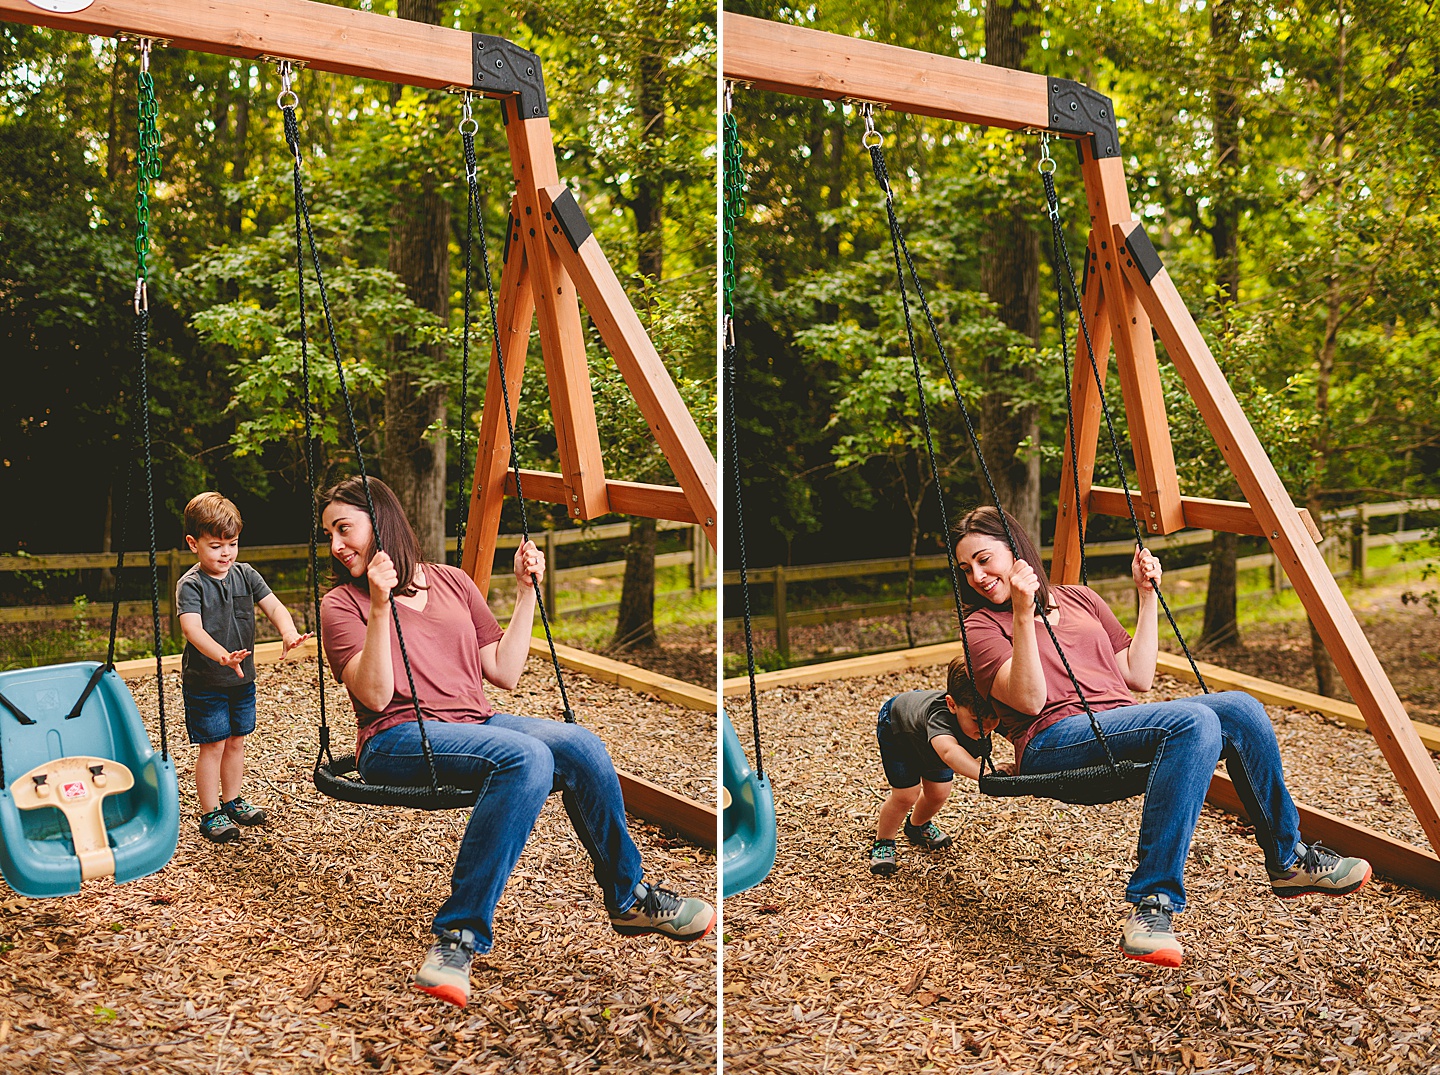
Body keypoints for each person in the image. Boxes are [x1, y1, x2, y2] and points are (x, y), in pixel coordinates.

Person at [317, 476, 716, 1008]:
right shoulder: (342, 604)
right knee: (526, 756)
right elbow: (375, 692)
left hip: (473, 723)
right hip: (396, 739)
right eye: (330, 535)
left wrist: (528, 593)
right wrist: (381, 605)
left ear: (380, 521)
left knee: (581, 744)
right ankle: (457, 937)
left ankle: (629, 897)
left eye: (345, 529)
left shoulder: (454, 582)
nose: (337, 545)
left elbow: (504, 670)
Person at [953, 505, 1371, 968]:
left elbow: (1138, 675)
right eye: (966, 568)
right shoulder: (980, 626)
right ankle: (1153, 904)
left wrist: (1146, 595)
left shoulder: (1081, 599)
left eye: (983, 559)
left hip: (1119, 725)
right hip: (1054, 741)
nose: (976, 575)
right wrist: (1021, 613)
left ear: (1017, 552)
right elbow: (1029, 700)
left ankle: (1288, 859)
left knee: (1240, 707)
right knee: (1194, 721)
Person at [177, 492, 311, 844]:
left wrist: (288, 632)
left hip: (242, 678)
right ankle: (210, 813)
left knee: (237, 741)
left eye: (232, 544)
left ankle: (232, 800)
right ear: (193, 544)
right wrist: (222, 655)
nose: (226, 553)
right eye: (216, 545)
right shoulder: (191, 584)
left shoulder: (245, 574)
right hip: (206, 680)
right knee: (214, 744)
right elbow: (192, 629)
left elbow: (275, 606)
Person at [869, 654, 995, 876]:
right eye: (977, 722)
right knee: (906, 795)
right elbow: (949, 752)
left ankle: (916, 826)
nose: (986, 728)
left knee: (938, 792)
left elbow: (1018, 732)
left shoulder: (987, 711)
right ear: (952, 705)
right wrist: (986, 775)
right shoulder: (939, 718)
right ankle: (884, 841)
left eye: (993, 721)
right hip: (899, 732)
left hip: (927, 742)